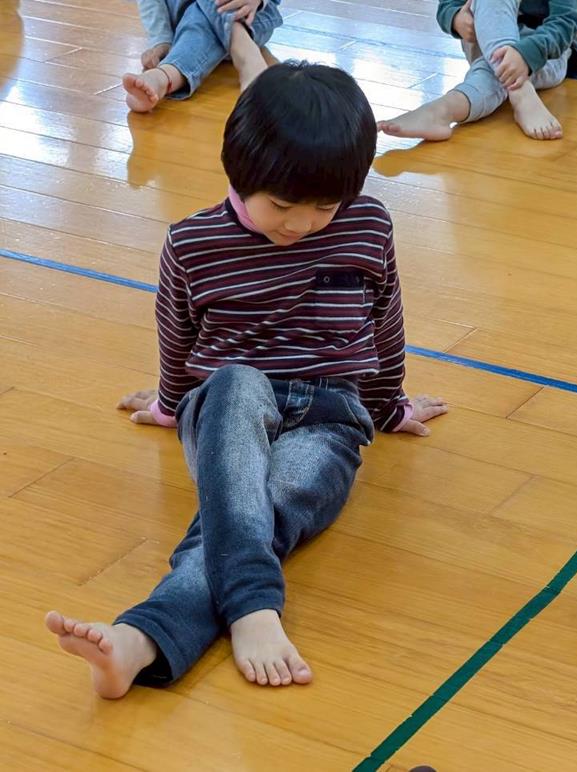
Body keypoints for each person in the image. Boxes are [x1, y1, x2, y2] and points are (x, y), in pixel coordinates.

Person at [45, 62, 448, 697]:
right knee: (235, 384)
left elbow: (385, 320)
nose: (301, 224)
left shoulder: (367, 225)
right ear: (238, 170)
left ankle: (141, 639)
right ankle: (255, 605)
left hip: (328, 416)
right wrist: (172, 405)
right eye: (282, 205)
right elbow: (176, 335)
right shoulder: (192, 243)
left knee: (257, 511)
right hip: (228, 401)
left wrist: (388, 406)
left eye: (324, 207)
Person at [377, 0, 577, 141]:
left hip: (544, 56)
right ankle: (520, 90)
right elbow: (448, 6)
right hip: (484, 44)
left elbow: (566, 23)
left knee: (488, 72)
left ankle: (439, 111)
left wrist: (526, 55)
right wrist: (456, 19)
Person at [124, 0, 282, 112]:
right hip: (187, 24)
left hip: (251, 18)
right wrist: (161, 39)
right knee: (198, 18)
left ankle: (163, 76)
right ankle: (241, 45)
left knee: (201, 21)